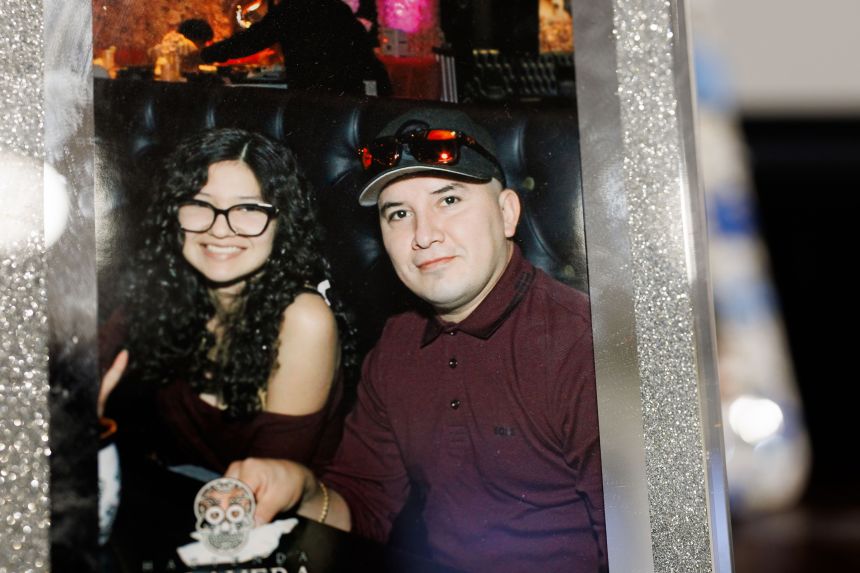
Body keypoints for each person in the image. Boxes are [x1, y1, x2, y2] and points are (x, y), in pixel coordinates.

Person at [227, 109, 607, 573]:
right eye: (400, 214)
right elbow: (364, 506)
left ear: (507, 213)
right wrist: (302, 488)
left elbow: (645, 547)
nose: (424, 235)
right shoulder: (398, 343)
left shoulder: (584, 347)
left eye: (448, 200)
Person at [100, 127, 354, 476]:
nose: (220, 230)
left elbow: (264, 483)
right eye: (199, 205)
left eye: (249, 208)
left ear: (282, 223)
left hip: (272, 522)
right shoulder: (162, 286)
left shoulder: (303, 320)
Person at [199, 0, 391, 96]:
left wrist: (205, 54)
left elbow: (251, 41)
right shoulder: (337, 8)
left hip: (311, 93)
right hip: (348, 92)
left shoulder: (290, 9)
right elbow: (364, 50)